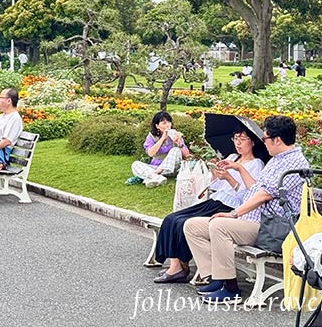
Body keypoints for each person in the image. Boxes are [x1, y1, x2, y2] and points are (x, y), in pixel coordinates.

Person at [184, 115, 309, 304]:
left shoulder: (295, 164)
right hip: (253, 221)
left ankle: (231, 288)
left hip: (269, 228)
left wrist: (234, 213)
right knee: (192, 226)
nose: (263, 142)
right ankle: (214, 278)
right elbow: (256, 188)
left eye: (265, 138)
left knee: (219, 226)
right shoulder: (277, 159)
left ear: (277, 139)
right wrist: (238, 171)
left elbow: (265, 195)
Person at [152, 129, 266, 283]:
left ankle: (179, 267)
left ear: (252, 142)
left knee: (182, 222)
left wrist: (229, 178)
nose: (238, 142)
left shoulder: (256, 164)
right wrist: (215, 174)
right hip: (215, 200)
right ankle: (177, 264)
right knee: (172, 218)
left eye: (243, 139)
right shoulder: (232, 157)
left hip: (229, 206)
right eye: (235, 138)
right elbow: (216, 185)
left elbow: (248, 197)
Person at [130, 111, 191, 187]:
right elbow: (150, 153)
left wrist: (179, 143)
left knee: (175, 150)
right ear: (157, 126)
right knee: (135, 164)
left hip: (173, 168)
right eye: (164, 123)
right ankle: (158, 178)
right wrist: (162, 139)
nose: (168, 125)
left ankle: (153, 175)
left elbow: (187, 156)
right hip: (156, 166)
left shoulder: (175, 135)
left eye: (169, 122)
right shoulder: (152, 137)